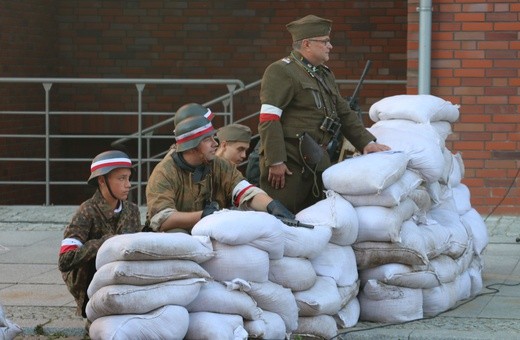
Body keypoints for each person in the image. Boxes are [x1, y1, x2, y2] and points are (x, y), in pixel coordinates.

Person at [258, 14, 390, 214]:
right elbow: (269, 119)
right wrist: (276, 161)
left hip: (318, 160)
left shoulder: (324, 73)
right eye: (325, 41)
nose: (330, 46)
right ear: (306, 44)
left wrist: (366, 143)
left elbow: (343, 112)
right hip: (289, 165)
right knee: (283, 219)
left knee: (316, 220)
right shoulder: (281, 71)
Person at [145, 107, 295, 233]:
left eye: (212, 137)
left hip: (210, 231)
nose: (215, 143)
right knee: (177, 236)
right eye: (207, 139)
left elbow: (244, 191)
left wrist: (272, 206)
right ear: (191, 146)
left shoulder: (219, 165)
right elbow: (162, 219)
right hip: (178, 235)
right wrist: (205, 215)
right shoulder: (164, 172)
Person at [58, 150, 142, 328]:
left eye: (128, 178)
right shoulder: (87, 211)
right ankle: (93, 314)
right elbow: (65, 260)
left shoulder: (132, 211)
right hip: (88, 278)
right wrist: (105, 243)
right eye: (121, 179)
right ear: (102, 180)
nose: (128, 185)